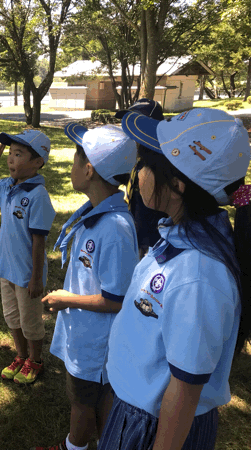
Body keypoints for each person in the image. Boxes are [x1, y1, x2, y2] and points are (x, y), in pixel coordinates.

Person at [99, 108, 251, 449]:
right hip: (140, 411)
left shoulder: (197, 275)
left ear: (177, 184)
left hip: (157, 428)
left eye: (145, 163)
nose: (137, 174)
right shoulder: (180, 236)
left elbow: (184, 390)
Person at [35, 124, 139, 450]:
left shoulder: (115, 228)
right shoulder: (97, 215)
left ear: (89, 169)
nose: (71, 169)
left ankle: (74, 446)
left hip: (97, 344)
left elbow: (117, 299)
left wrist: (69, 299)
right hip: (85, 334)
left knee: (84, 402)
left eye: (74, 161)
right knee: (91, 398)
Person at [0, 130, 56, 385]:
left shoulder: (37, 196)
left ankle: (35, 359)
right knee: (12, 317)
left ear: (37, 162)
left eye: (18, 154)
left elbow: (39, 241)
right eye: (9, 154)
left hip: (26, 274)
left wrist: (36, 278)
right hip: (5, 269)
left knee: (30, 321)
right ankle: (20, 356)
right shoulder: (8, 186)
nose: (10, 159)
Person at [115, 99, 168, 258]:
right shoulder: (137, 159)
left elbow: (151, 212)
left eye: (136, 124)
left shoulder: (158, 164)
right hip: (136, 234)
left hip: (154, 243)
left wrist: (141, 246)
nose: (130, 130)